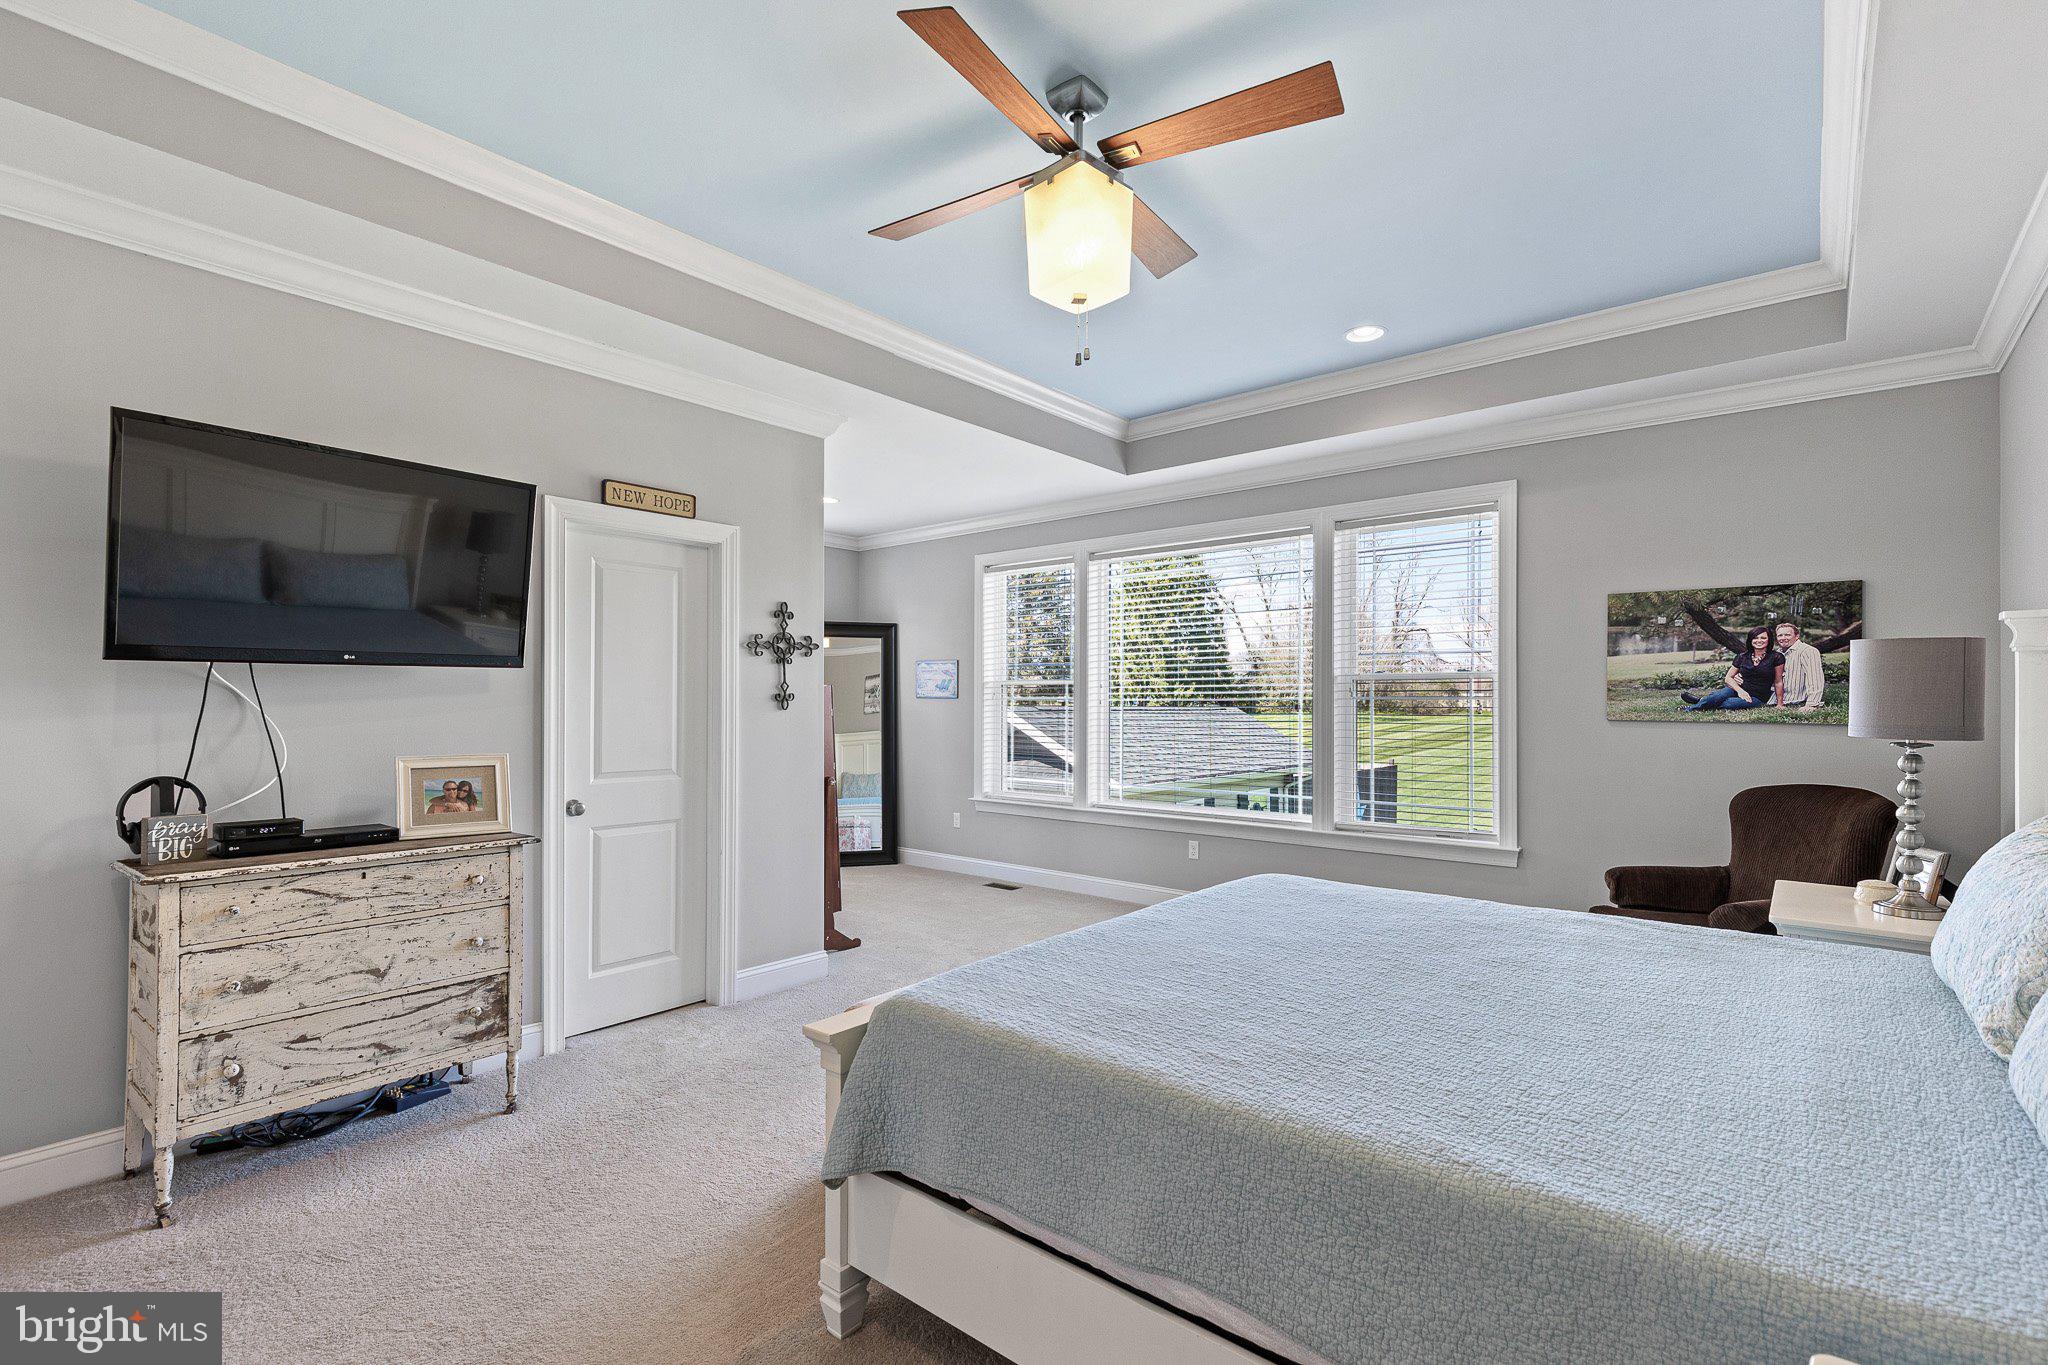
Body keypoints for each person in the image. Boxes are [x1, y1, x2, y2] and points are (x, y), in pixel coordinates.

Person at [1681, 626, 1782, 711]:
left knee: (1729, 704)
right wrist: (1740, 691)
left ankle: (1700, 702)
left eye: (1763, 638)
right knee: (1718, 696)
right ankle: (1694, 707)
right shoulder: (1742, 656)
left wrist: (1780, 704)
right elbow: (1728, 678)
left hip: (1757, 696)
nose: (1759, 641)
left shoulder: (1776, 657)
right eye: (1755, 638)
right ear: (1751, 640)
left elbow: (1778, 682)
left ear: (1769, 640)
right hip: (1737, 689)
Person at [1774, 620, 1827, 711]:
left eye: (1787, 635)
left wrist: (1811, 704)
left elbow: (1815, 678)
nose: (1783, 638)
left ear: (1797, 636)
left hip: (1795, 699)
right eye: (1780, 635)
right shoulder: (1777, 653)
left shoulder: (1808, 651)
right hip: (1776, 699)